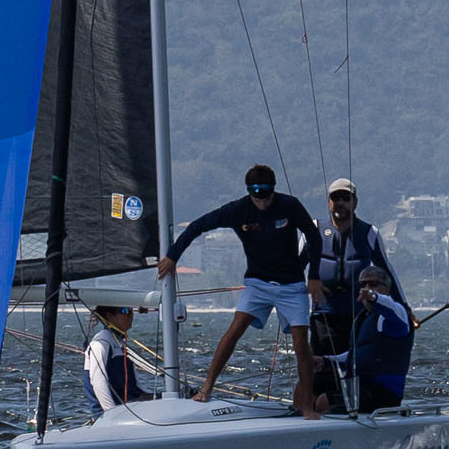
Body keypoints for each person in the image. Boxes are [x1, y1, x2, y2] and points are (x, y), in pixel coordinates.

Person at [156, 163, 325, 419]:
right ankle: (206, 388)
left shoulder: (289, 205)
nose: (263, 202)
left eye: (266, 196)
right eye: (257, 196)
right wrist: (172, 256)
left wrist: (312, 275)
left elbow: (314, 237)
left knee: (301, 344)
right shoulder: (238, 210)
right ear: (249, 192)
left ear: (273, 189)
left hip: (291, 286)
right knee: (235, 329)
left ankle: (307, 407)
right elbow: (197, 226)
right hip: (257, 283)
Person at [311, 177, 408, 407]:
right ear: (329, 202)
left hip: (357, 315)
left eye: (346, 198)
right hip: (323, 315)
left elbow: (386, 271)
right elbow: (294, 267)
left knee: (354, 367)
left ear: (355, 202)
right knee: (320, 371)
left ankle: (344, 406)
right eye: (335, 198)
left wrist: (404, 307)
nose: (340, 202)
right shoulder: (314, 230)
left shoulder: (369, 233)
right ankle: (315, 409)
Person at [351, 266, 413, 411]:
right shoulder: (364, 317)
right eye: (362, 285)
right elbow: (358, 354)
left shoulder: (397, 312)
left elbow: (389, 306)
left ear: (386, 288)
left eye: (373, 284)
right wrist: (327, 360)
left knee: (324, 401)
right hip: (361, 385)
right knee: (315, 387)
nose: (366, 288)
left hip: (383, 392)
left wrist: (374, 297)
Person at [83, 305, 152, 415]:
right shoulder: (101, 342)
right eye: (125, 311)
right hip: (112, 414)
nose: (130, 315)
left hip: (131, 407)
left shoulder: (118, 341)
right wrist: (111, 414)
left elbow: (136, 387)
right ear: (110, 316)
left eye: (131, 310)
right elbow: (98, 382)